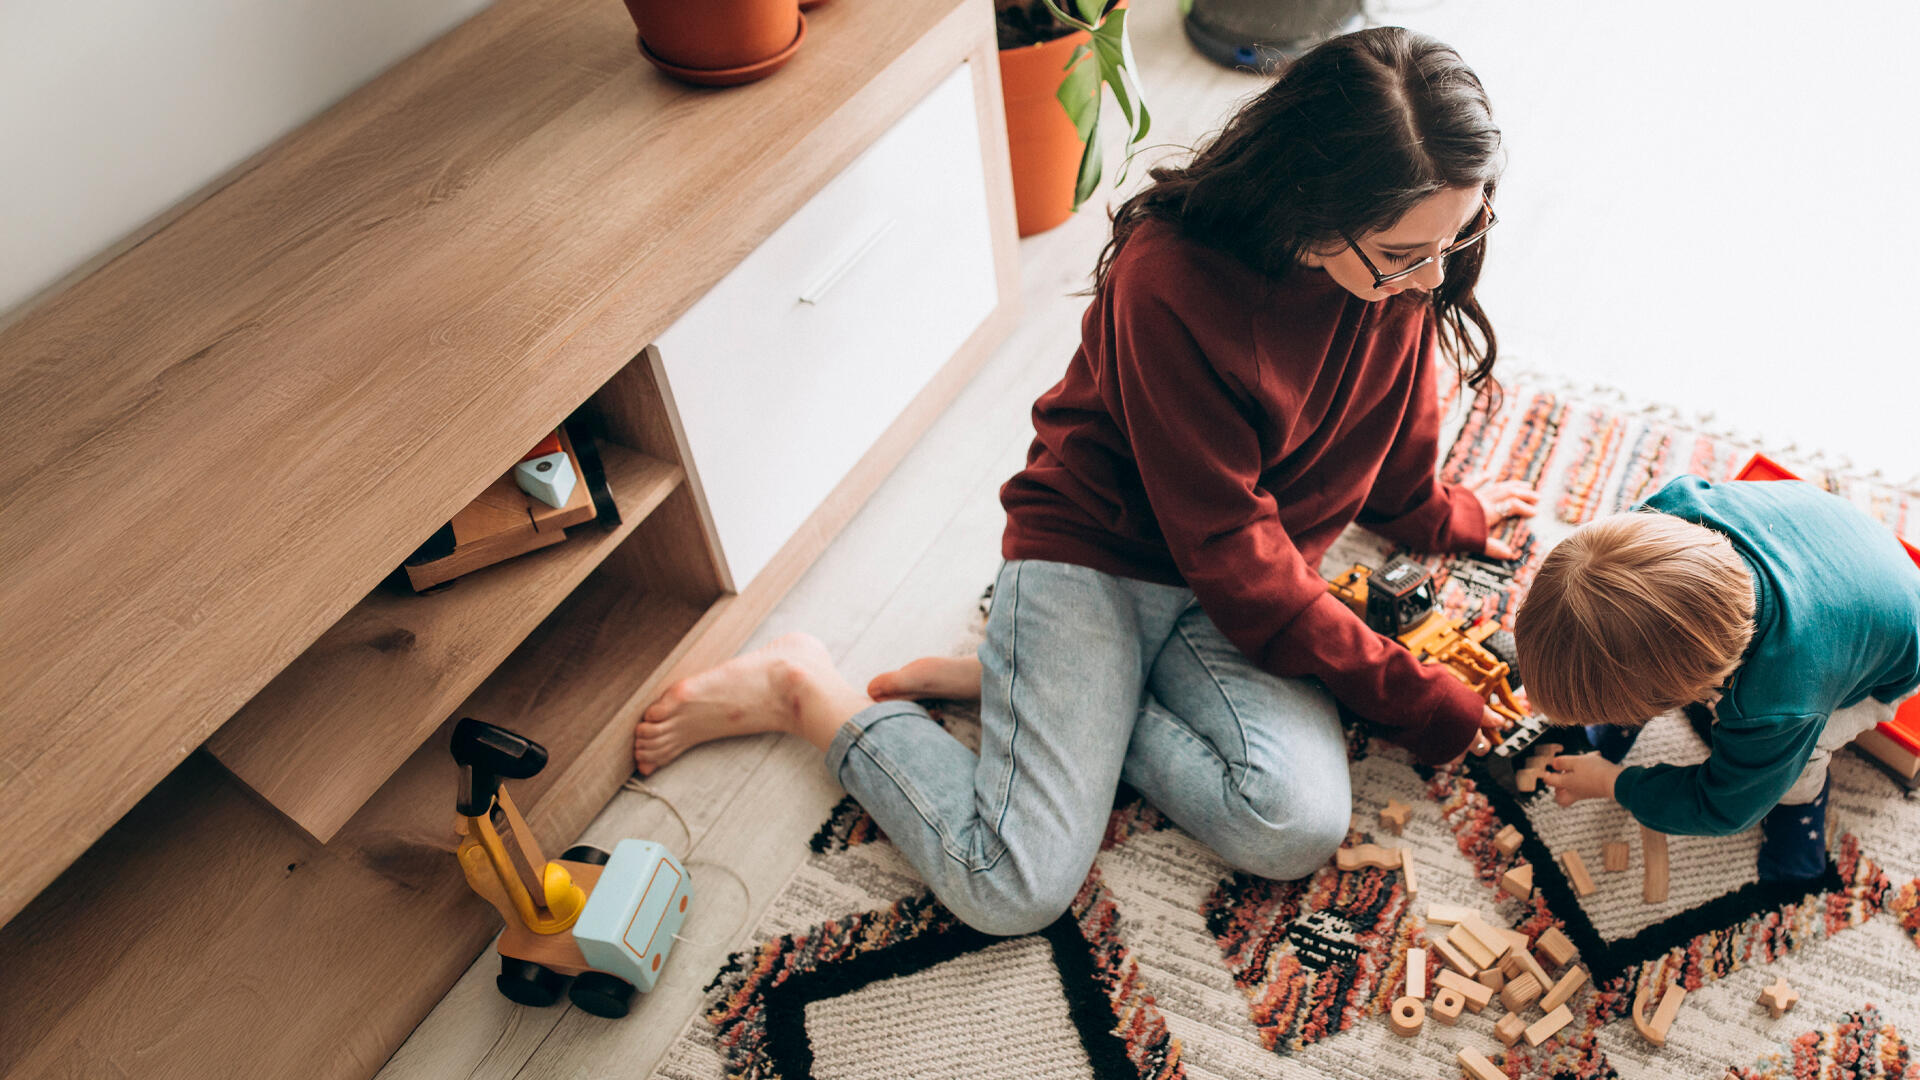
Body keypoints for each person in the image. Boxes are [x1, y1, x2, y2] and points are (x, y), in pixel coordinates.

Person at [634, 26, 1536, 935]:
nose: (1432, 278)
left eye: (1456, 238)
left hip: (1247, 581)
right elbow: (1230, 551)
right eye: (1405, 254)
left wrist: (1432, 511)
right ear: (1313, 203)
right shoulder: (1171, 280)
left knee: (1294, 827)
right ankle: (809, 692)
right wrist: (1411, 696)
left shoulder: (1410, 263)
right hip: (1104, 555)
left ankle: (1029, 695)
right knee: (1009, 887)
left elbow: (1395, 399)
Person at [1525, 476, 1920, 882]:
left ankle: (1800, 810)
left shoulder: (1775, 706)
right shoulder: (1661, 516)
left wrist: (1615, 784)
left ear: (1697, 687)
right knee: (1635, 631)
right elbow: (1633, 616)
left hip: (1895, 652)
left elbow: (1722, 807)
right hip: (1835, 537)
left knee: (1798, 761)